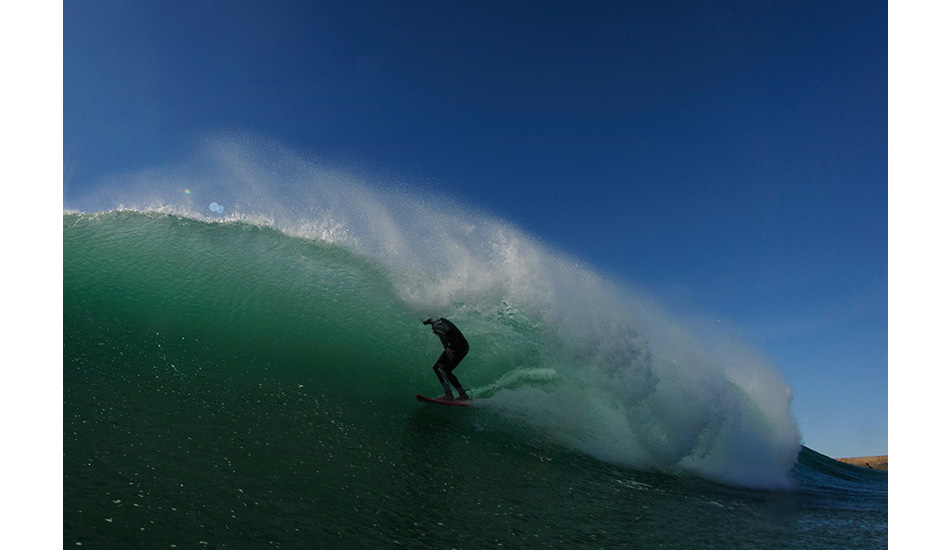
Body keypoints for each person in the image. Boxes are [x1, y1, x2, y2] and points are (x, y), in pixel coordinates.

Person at [423, 317, 470, 401]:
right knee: (446, 371)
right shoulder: (440, 320)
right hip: (464, 346)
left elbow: (442, 334)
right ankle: (463, 395)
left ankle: (448, 394)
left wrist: (446, 347)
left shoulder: (437, 323)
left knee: (438, 367)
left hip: (457, 348)